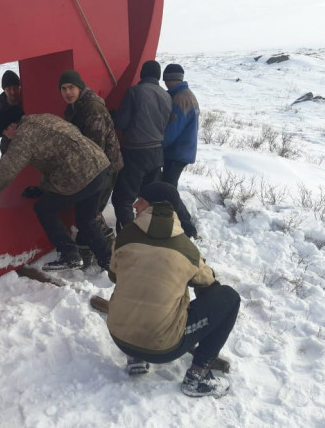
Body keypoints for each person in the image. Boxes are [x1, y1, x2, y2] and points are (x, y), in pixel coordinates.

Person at [105, 183, 240, 397]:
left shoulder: (125, 236)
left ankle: (136, 358)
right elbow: (209, 285)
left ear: (153, 205)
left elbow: (114, 276)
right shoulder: (186, 249)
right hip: (162, 348)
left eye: (141, 199)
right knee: (229, 298)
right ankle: (198, 376)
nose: (135, 204)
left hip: (119, 336)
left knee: (136, 284)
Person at [0, 107, 113, 271]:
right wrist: (42, 188)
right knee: (86, 220)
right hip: (100, 168)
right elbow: (55, 158)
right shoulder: (41, 118)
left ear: (11, 126)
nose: (5, 136)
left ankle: (69, 254)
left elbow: (7, 170)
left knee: (44, 208)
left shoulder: (24, 136)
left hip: (81, 175)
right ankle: (109, 262)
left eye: (4, 131)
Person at [58, 70, 123, 263]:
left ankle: (108, 253)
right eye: (63, 89)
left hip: (104, 167)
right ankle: (90, 247)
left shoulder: (92, 109)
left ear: (80, 87)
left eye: (71, 87)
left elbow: (95, 149)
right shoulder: (72, 108)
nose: (68, 92)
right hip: (90, 167)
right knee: (89, 212)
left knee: (90, 213)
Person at [111, 60, 172, 232]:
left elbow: (121, 123)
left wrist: (111, 114)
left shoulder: (135, 92)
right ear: (158, 76)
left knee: (123, 199)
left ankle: (131, 237)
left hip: (135, 153)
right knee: (149, 198)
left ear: (142, 74)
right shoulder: (166, 96)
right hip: (157, 152)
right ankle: (152, 232)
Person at [162, 64, 200, 188]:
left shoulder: (180, 98)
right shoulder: (187, 94)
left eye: (165, 80)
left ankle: (169, 207)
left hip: (177, 151)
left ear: (169, 80)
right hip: (184, 150)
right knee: (168, 185)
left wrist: (158, 146)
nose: (165, 84)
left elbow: (172, 130)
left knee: (167, 188)